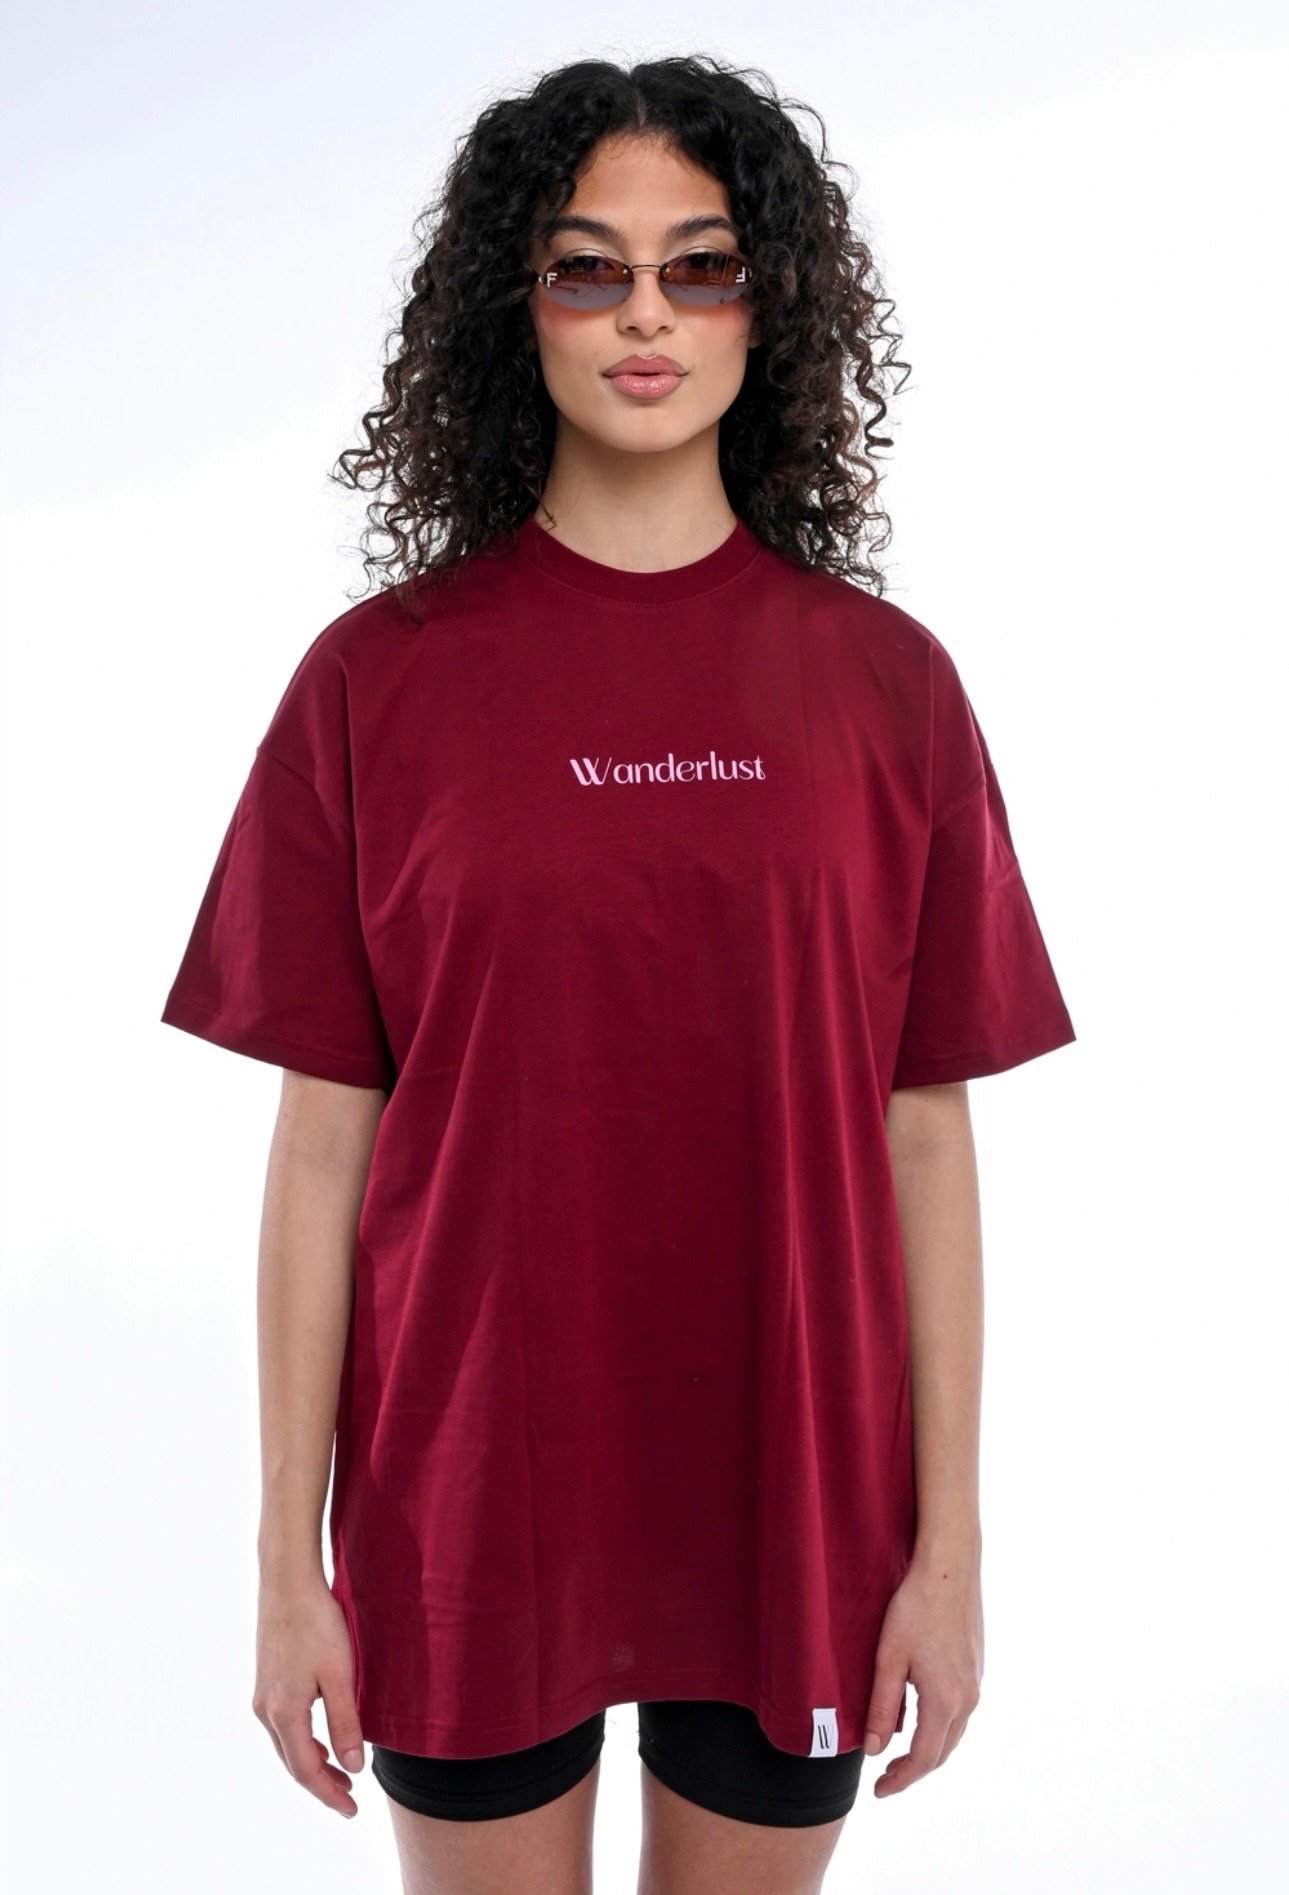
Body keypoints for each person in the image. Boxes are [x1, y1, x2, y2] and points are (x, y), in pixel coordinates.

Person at [159, 52, 1076, 1895]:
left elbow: (924, 1138)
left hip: (797, 1498)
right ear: (516, 309)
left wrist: (950, 1550)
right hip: (468, 1496)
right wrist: (283, 1567)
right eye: (588, 268)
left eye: (698, 265)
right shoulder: (375, 683)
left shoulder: (888, 687)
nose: (645, 313)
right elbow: (323, 1151)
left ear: (769, 304)